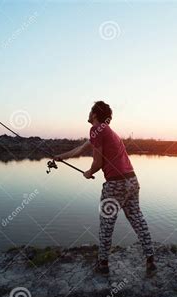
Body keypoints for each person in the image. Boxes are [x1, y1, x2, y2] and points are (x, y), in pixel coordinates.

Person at [55, 101, 156, 274]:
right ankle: (151, 261)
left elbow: (98, 162)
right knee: (137, 220)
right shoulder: (107, 132)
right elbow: (80, 149)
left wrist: (89, 172)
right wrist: (59, 157)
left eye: (90, 111)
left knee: (106, 224)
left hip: (115, 184)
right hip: (132, 181)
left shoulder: (96, 129)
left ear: (94, 114)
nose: (88, 114)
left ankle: (103, 265)